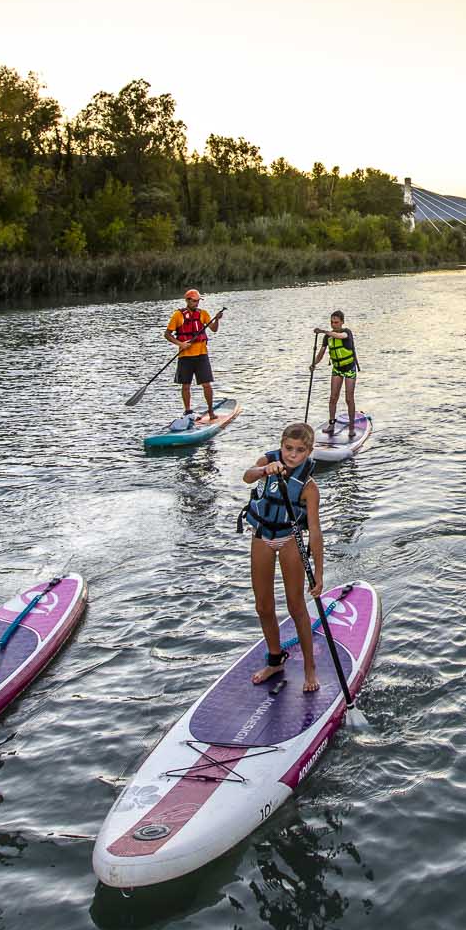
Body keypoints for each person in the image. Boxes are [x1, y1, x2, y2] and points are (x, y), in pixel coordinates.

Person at [238, 423, 326, 692]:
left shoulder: (309, 487)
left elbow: (315, 531)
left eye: (300, 451)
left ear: (309, 452)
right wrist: (265, 469)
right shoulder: (269, 462)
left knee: (295, 605)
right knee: (263, 606)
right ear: (281, 445)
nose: (292, 455)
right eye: (288, 448)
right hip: (262, 536)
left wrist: (319, 574)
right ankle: (275, 660)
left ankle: (310, 667)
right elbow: (247, 476)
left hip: (290, 539)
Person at [165, 288, 225, 421]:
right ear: (187, 301)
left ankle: (210, 411)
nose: (197, 303)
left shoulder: (203, 314)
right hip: (185, 356)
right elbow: (167, 334)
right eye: (194, 301)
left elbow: (214, 329)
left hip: (201, 355)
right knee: (185, 385)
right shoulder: (178, 315)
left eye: (198, 301)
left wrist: (216, 320)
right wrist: (180, 344)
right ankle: (187, 411)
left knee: (207, 385)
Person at [312, 311, 360, 439]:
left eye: (336, 322)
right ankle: (332, 425)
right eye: (332, 322)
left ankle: (351, 427)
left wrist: (323, 331)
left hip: (350, 368)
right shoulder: (327, 337)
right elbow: (321, 353)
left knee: (349, 399)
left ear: (342, 322)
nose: (334, 325)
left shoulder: (347, 332)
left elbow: (340, 336)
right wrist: (314, 364)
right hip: (337, 369)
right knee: (333, 398)